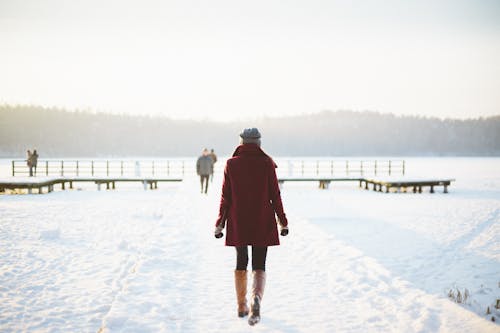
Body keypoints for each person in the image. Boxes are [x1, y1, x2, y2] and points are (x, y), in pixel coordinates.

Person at [214, 128, 289, 326]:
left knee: (241, 261)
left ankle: (241, 305)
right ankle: (256, 299)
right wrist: (283, 220)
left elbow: (225, 197)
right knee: (259, 264)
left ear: (241, 143)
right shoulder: (267, 164)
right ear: (258, 143)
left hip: (239, 220)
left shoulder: (231, 164)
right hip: (262, 220)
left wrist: (220, 223)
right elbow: (275, 195)